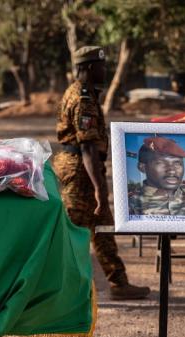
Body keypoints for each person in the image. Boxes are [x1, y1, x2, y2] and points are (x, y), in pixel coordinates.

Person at [54, 46, 151, 300]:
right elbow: (86, 146)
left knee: (102, 225)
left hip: (84, 167)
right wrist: (99, 188)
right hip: (80, 170)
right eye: (100, 66)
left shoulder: (84, 94)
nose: (104, 70)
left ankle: (118, 281)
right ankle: (61, 291)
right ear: (87, 68)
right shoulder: (83, 98)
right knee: (76, 230)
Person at [128, 136, 185, 217]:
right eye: (161, 163)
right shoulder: (128, 204)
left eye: (177, 163)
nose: (172, 170)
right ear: (142, 167)